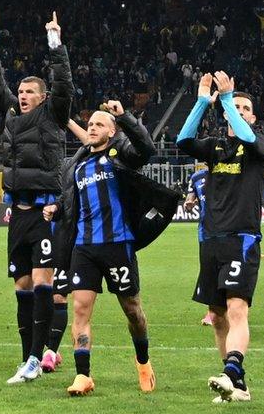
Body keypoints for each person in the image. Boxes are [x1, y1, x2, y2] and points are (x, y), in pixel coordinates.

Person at [37, 102, 179, 394]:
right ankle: (83, 375)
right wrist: (57, 208)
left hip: (118, 245)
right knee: (80, 310)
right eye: (90, 124)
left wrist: (124, 116)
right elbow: (71, 201)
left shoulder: (121, 157)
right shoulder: (77, 166)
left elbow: (146, 148)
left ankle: (143, 362)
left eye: (100, 124)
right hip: (84, 247)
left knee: (133, 311)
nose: (92, 127)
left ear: (112, 132)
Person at [0, 12, 75, 381]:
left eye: (28, 93)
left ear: (42, 97)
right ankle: (27, 357)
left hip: (45, 213)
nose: (21, 97)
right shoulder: (11, 116)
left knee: (42, 283)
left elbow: (64, 83)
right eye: (20, 93)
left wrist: (55, 43)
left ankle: (38, 357)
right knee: (21, 286)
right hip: (18, 214)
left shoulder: (54, 112)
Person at [177, 72, 264, 403]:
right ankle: (237, 384)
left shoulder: (258, 146)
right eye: (237, 107)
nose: (241, 112)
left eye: (246, 108)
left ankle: (232, 370)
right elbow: (183, 141)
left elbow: (245, 134)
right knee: (216, 316)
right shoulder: (216, 147)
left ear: (253, 117)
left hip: (241, 239)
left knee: (236, 309)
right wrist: (203, 101)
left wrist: (228, 99)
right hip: (211, 241)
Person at [43, 118, 92, 372]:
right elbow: (64, 198)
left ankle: (50, 352)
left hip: (80, 237)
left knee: (63, 295)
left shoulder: (80, 161)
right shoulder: (62, 167)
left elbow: (89, 140)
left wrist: (68, 119)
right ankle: (49, 350)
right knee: (52, 294)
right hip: (56, 235)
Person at [184, 168, 212, 326]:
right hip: (205, 231)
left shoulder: (229, 170)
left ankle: (233, 308)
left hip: (228, 229)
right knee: (208, 270)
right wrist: (189, 203)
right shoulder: (196, 177)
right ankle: (212, 311)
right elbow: (190, 198)